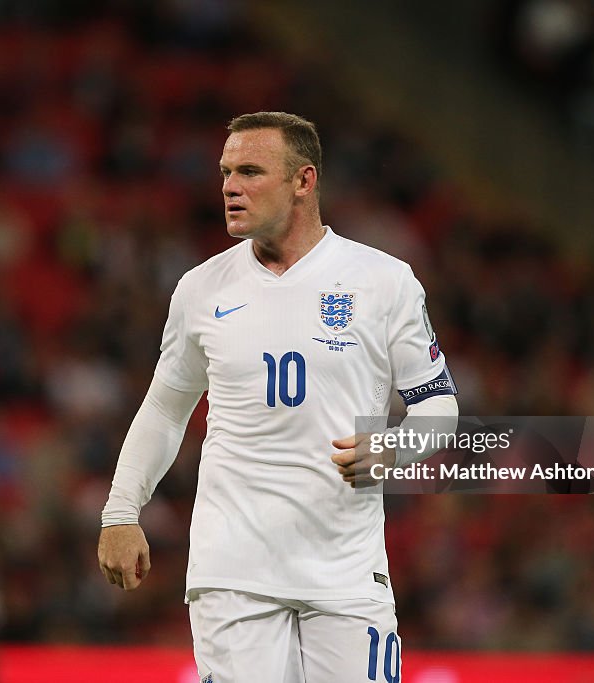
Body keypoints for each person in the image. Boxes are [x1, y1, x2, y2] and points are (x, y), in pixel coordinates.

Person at [98, 111, 458, 683]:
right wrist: (120, 512)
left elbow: (438, 408)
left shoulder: (383, 282)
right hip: (234, 569)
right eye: (225, 173)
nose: (230, 187)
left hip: (345, 566)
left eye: (250, 171)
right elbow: (166, 409)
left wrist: (393, 448)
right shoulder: (200, 289)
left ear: (304, 181)